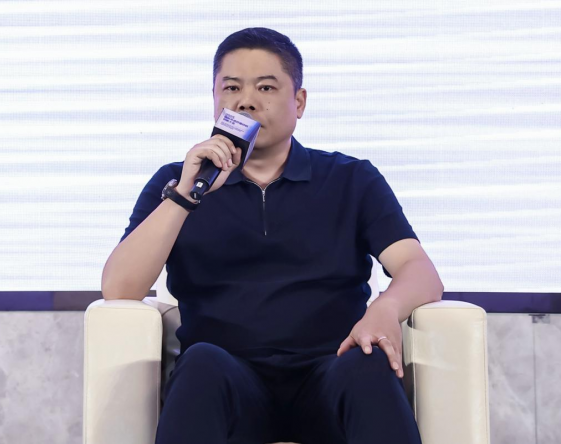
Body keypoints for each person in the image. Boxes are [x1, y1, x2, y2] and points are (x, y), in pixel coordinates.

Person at [102, 27, 444, 444]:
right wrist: (186, 196)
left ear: (299, 102)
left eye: (265, 87)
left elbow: (419, 270)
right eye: (231, 88)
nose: (245, 101)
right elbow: (119, 289)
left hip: (329, 375)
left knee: (367, 364)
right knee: (201, 363)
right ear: (215, 100)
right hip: (226, 384)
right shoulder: (177, 182)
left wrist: (387, 308)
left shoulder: (351, 179)